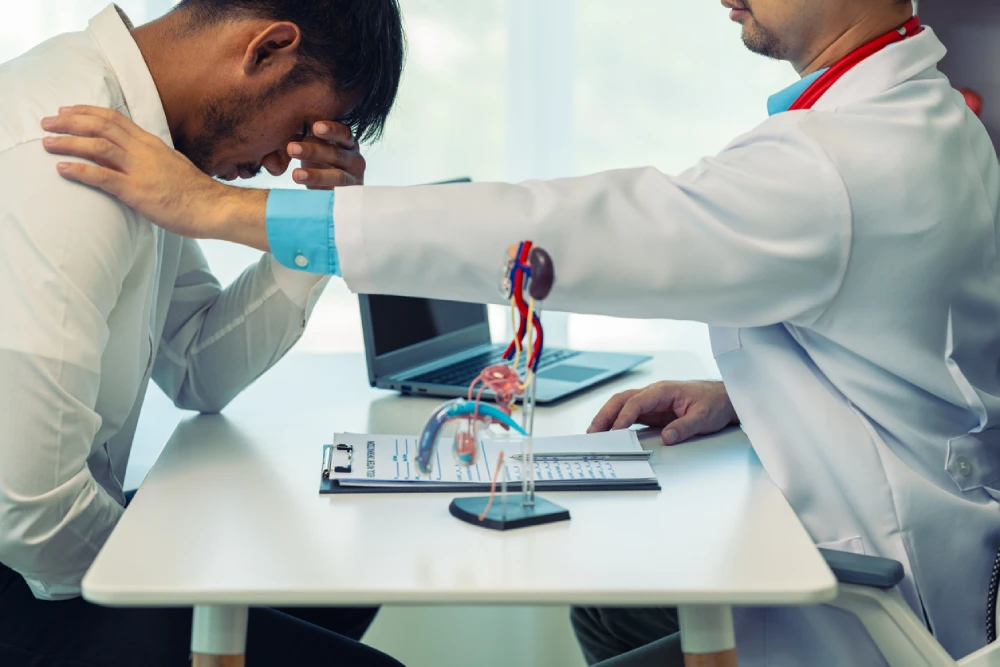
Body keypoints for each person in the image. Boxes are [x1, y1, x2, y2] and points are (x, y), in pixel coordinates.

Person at [39, 0, 1000, 665]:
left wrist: (217, 208)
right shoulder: (902, 117)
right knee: (607, 612)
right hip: (890, 542)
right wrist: (744, 391)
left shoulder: (840, 160)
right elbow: (905, 345)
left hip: (871, 607)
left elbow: (578, 226)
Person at [0, 1, 405, 665]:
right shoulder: (68, 160)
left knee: (338, 578)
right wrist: (194, 576)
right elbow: (30, 510)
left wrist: (316, 224)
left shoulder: (139, 145)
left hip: (41, 539)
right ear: (266, 49)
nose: (281, 164)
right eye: (300, 126)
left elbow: (196, 367)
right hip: (18, 569)